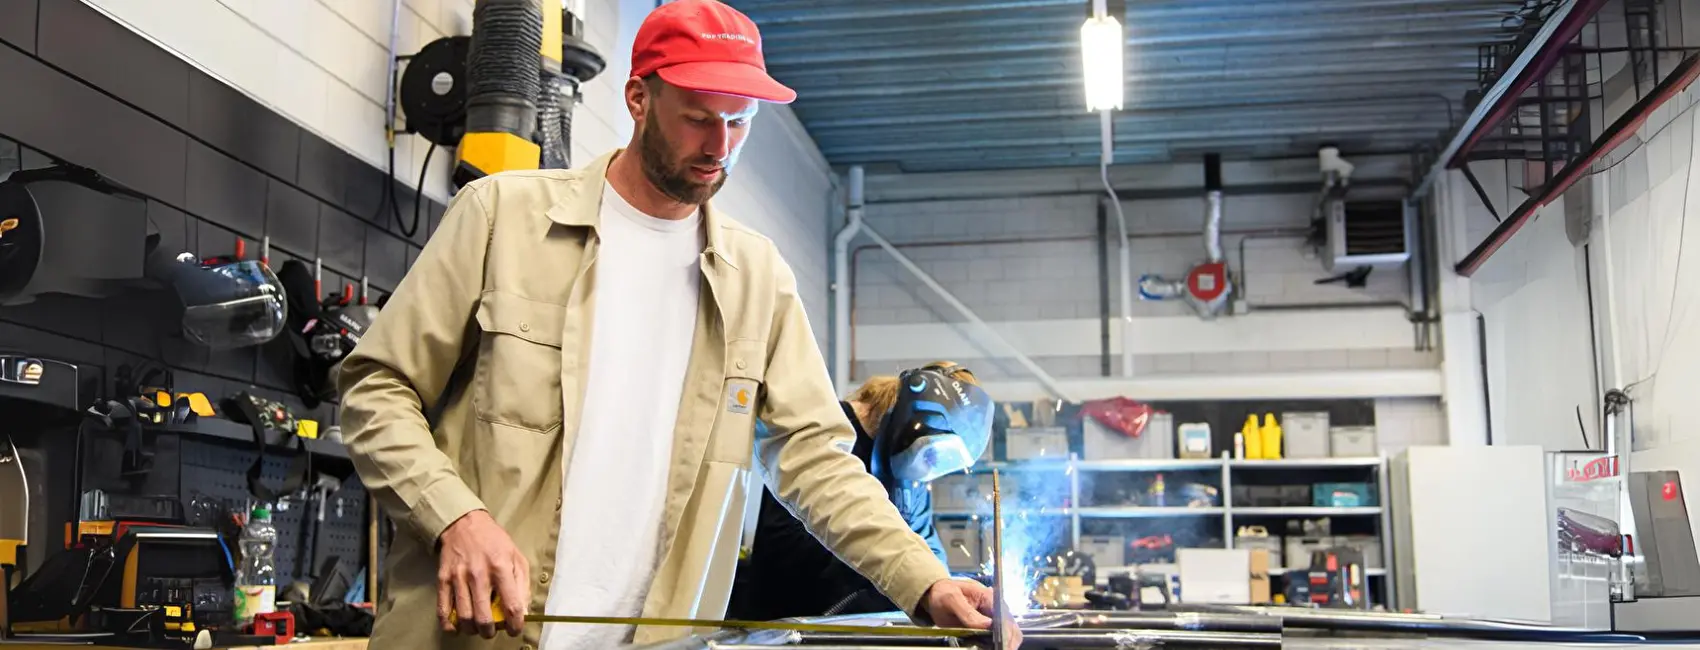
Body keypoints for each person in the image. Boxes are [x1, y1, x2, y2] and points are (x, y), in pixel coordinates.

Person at [335, 1, 1012, 649]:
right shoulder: (500, 218)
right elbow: (376, 389)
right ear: (638, 99)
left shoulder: (759, 279)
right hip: (475, 636)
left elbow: (815, 459)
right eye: (698, 118)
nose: (720, 147)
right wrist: (455, 515)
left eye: (740, 122)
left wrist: (925, 581)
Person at [729, 362, 993, 621]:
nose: (930, 464)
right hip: (784, 626)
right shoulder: (827, 435)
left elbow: (924, 543)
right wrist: (897, 580)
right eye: (933, 452)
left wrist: (943, 586)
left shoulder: (908, 470)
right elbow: (789, 551)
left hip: (855, 629)